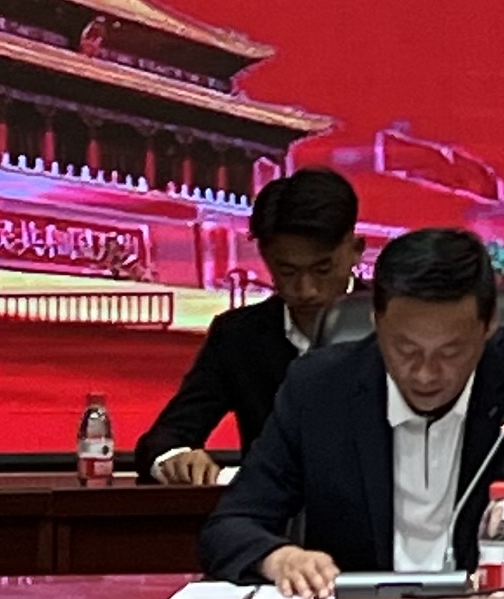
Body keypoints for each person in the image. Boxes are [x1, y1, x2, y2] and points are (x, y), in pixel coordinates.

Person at [199, 225, 504, 597]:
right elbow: (231, 525)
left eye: (451, 352)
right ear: (376, 321)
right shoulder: (319, 388)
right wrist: (280, 558)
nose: (425, 374)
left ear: (489, 326)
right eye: (405, 349)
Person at [134, 169, 365, 484]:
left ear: (355, 249)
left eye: (322, 269)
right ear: (265, 257)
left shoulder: (395, 327)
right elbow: (166, 438)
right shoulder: (239, 336)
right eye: (287, 271)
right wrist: (176, 458)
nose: (306, 289)